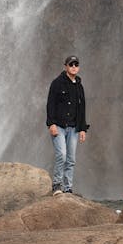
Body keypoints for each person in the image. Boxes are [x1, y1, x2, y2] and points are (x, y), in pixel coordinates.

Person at [46, 55, 89, 195]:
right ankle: (57, 185)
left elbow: (82, 109)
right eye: (71, 64)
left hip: (74, 128)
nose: (74, 67)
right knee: (62, 155)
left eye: (76, 64)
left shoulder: (79, 86)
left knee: (71, 159)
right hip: (58, 126)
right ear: (65, 66)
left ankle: (68, 187)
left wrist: (82, 128)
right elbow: (50, 104)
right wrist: (51, 123)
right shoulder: (57, 83)